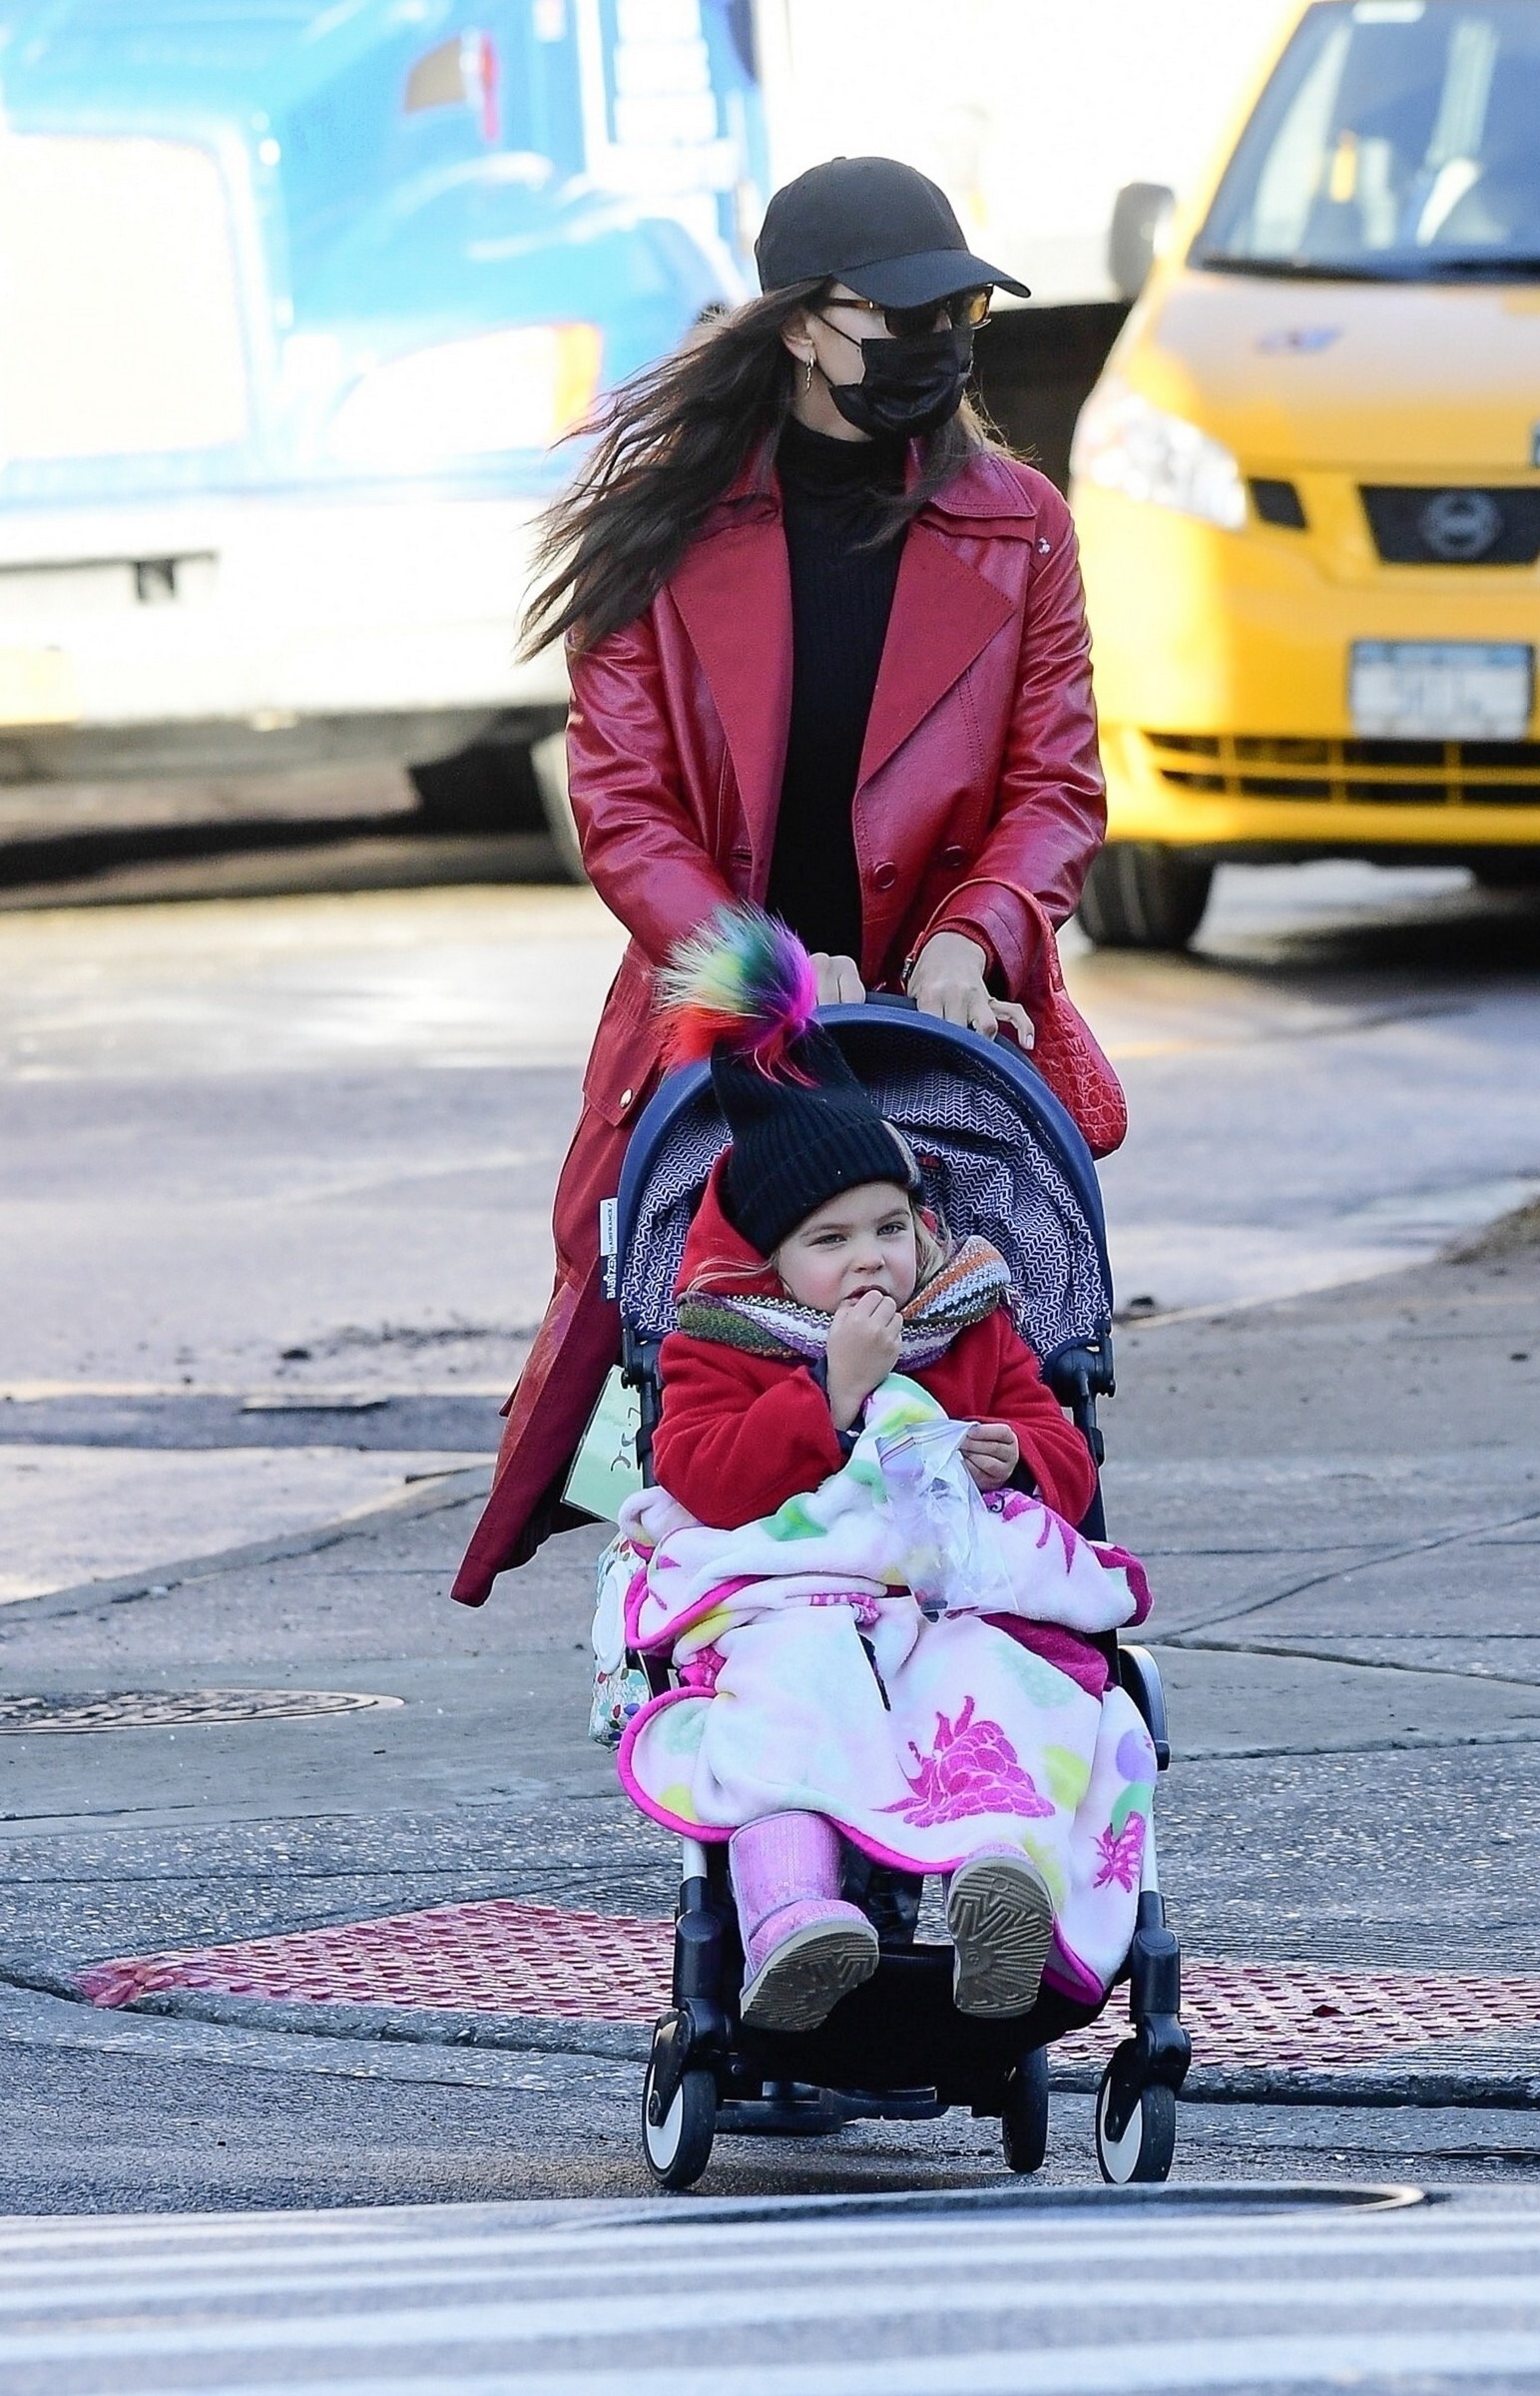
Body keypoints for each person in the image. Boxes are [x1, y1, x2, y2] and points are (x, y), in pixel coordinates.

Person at [453, 154, 1107, 1608]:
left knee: (1006, 1322)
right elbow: (628, 814)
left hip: (942, 1024)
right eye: (901, 318)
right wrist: (780, 975)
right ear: (803, 326)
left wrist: (975, 937)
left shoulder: (1020, 524)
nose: (937, 348)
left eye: (960, 318)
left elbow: (1056, 785)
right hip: (729, 1017)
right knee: (674, 1318)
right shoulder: (662, 525)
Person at [612, 908, 1155, 2034]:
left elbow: (1052, 1442)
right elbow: (705, 1478)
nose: (871, 1259)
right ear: (771, 1259)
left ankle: (1001, 1880)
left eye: (889, 1227)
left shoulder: (964, 1313)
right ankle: (795, 1916)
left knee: (994, 1676)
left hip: (945, 1593)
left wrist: (1020, 1455)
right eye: (830, 1241)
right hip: (798, 1597)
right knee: (784, 1696)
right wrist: (831, 1394)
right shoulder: (726, 1334)